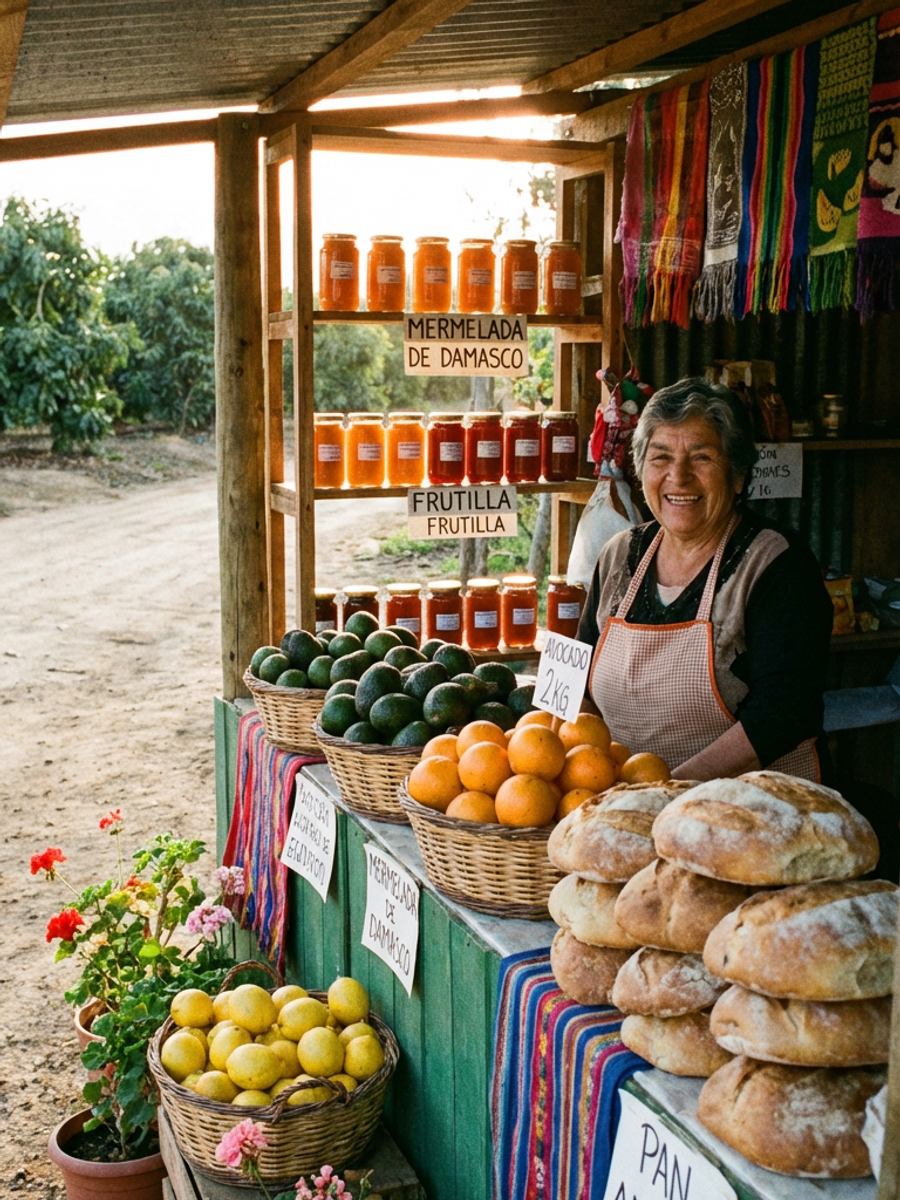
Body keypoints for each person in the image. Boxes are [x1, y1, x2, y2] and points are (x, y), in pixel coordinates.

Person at [577, 376, 832, 784]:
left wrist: (668, 790)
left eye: (702, 458)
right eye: (660, 458)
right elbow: (578, 684)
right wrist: (580, 773)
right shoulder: (617, 556)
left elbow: (786, 711)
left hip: (749, 814)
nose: (678, 477)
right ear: (641, 472)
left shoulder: (775, 563)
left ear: (737, 475)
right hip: (624, 808)